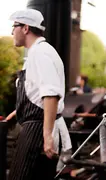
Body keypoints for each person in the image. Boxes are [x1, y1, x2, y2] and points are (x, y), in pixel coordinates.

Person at [4, 9, 71, 180]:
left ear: (25, 28)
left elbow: (50, 95)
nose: (12, 31)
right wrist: (16, 113)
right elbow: (35, 93)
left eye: (14, 26)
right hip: (36, 127)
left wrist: (47, 136)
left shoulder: (41, 53)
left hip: (38, 131)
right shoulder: (36, 52)